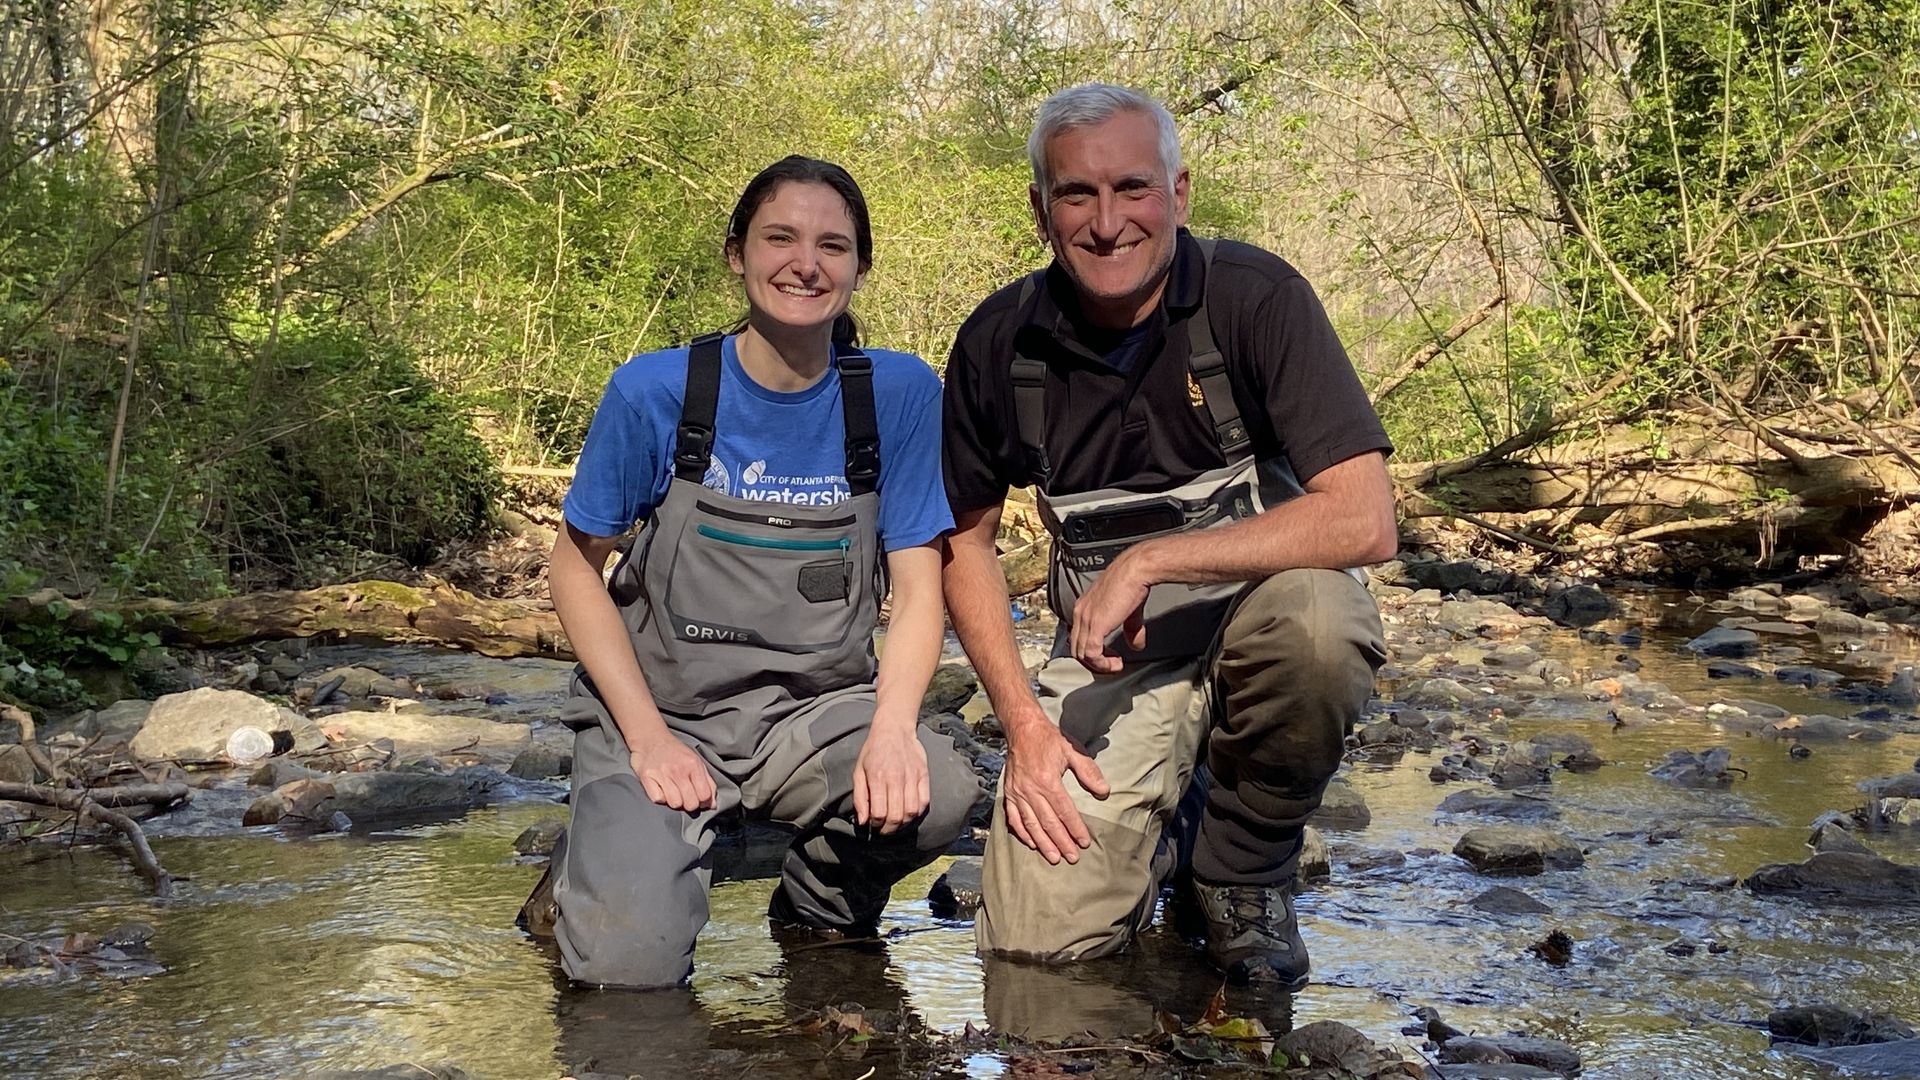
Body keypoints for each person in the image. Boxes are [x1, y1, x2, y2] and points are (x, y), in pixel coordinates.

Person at [940, 85, 1395, 989]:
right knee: (1035, 955)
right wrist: (1024, 728)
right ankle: (1164, 831)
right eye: (1077, 195)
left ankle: (1241, 864)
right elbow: (963, 545)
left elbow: (1365, 517)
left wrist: (1152, 559)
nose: (1108, 223)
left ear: (1179, 195)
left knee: (1320, 627)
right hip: (1116, 668)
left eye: (1133, 190)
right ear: (1041, 210)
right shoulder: (1000, 343)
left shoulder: (1255, 299)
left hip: (1254, 633)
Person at [534, 155, 980, 989]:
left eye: (832, 246)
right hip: (665, 712)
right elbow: (572, 571)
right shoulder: (656, 391)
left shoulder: (901, 393)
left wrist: (892, 730)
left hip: (811, 716)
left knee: (942, 789)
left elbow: (920, 587)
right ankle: (599, 862)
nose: (805, 264)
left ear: (859, 267)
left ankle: (818, 907)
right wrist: (649, 739)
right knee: (625, 978)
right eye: (780, 238)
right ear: (737, 254)